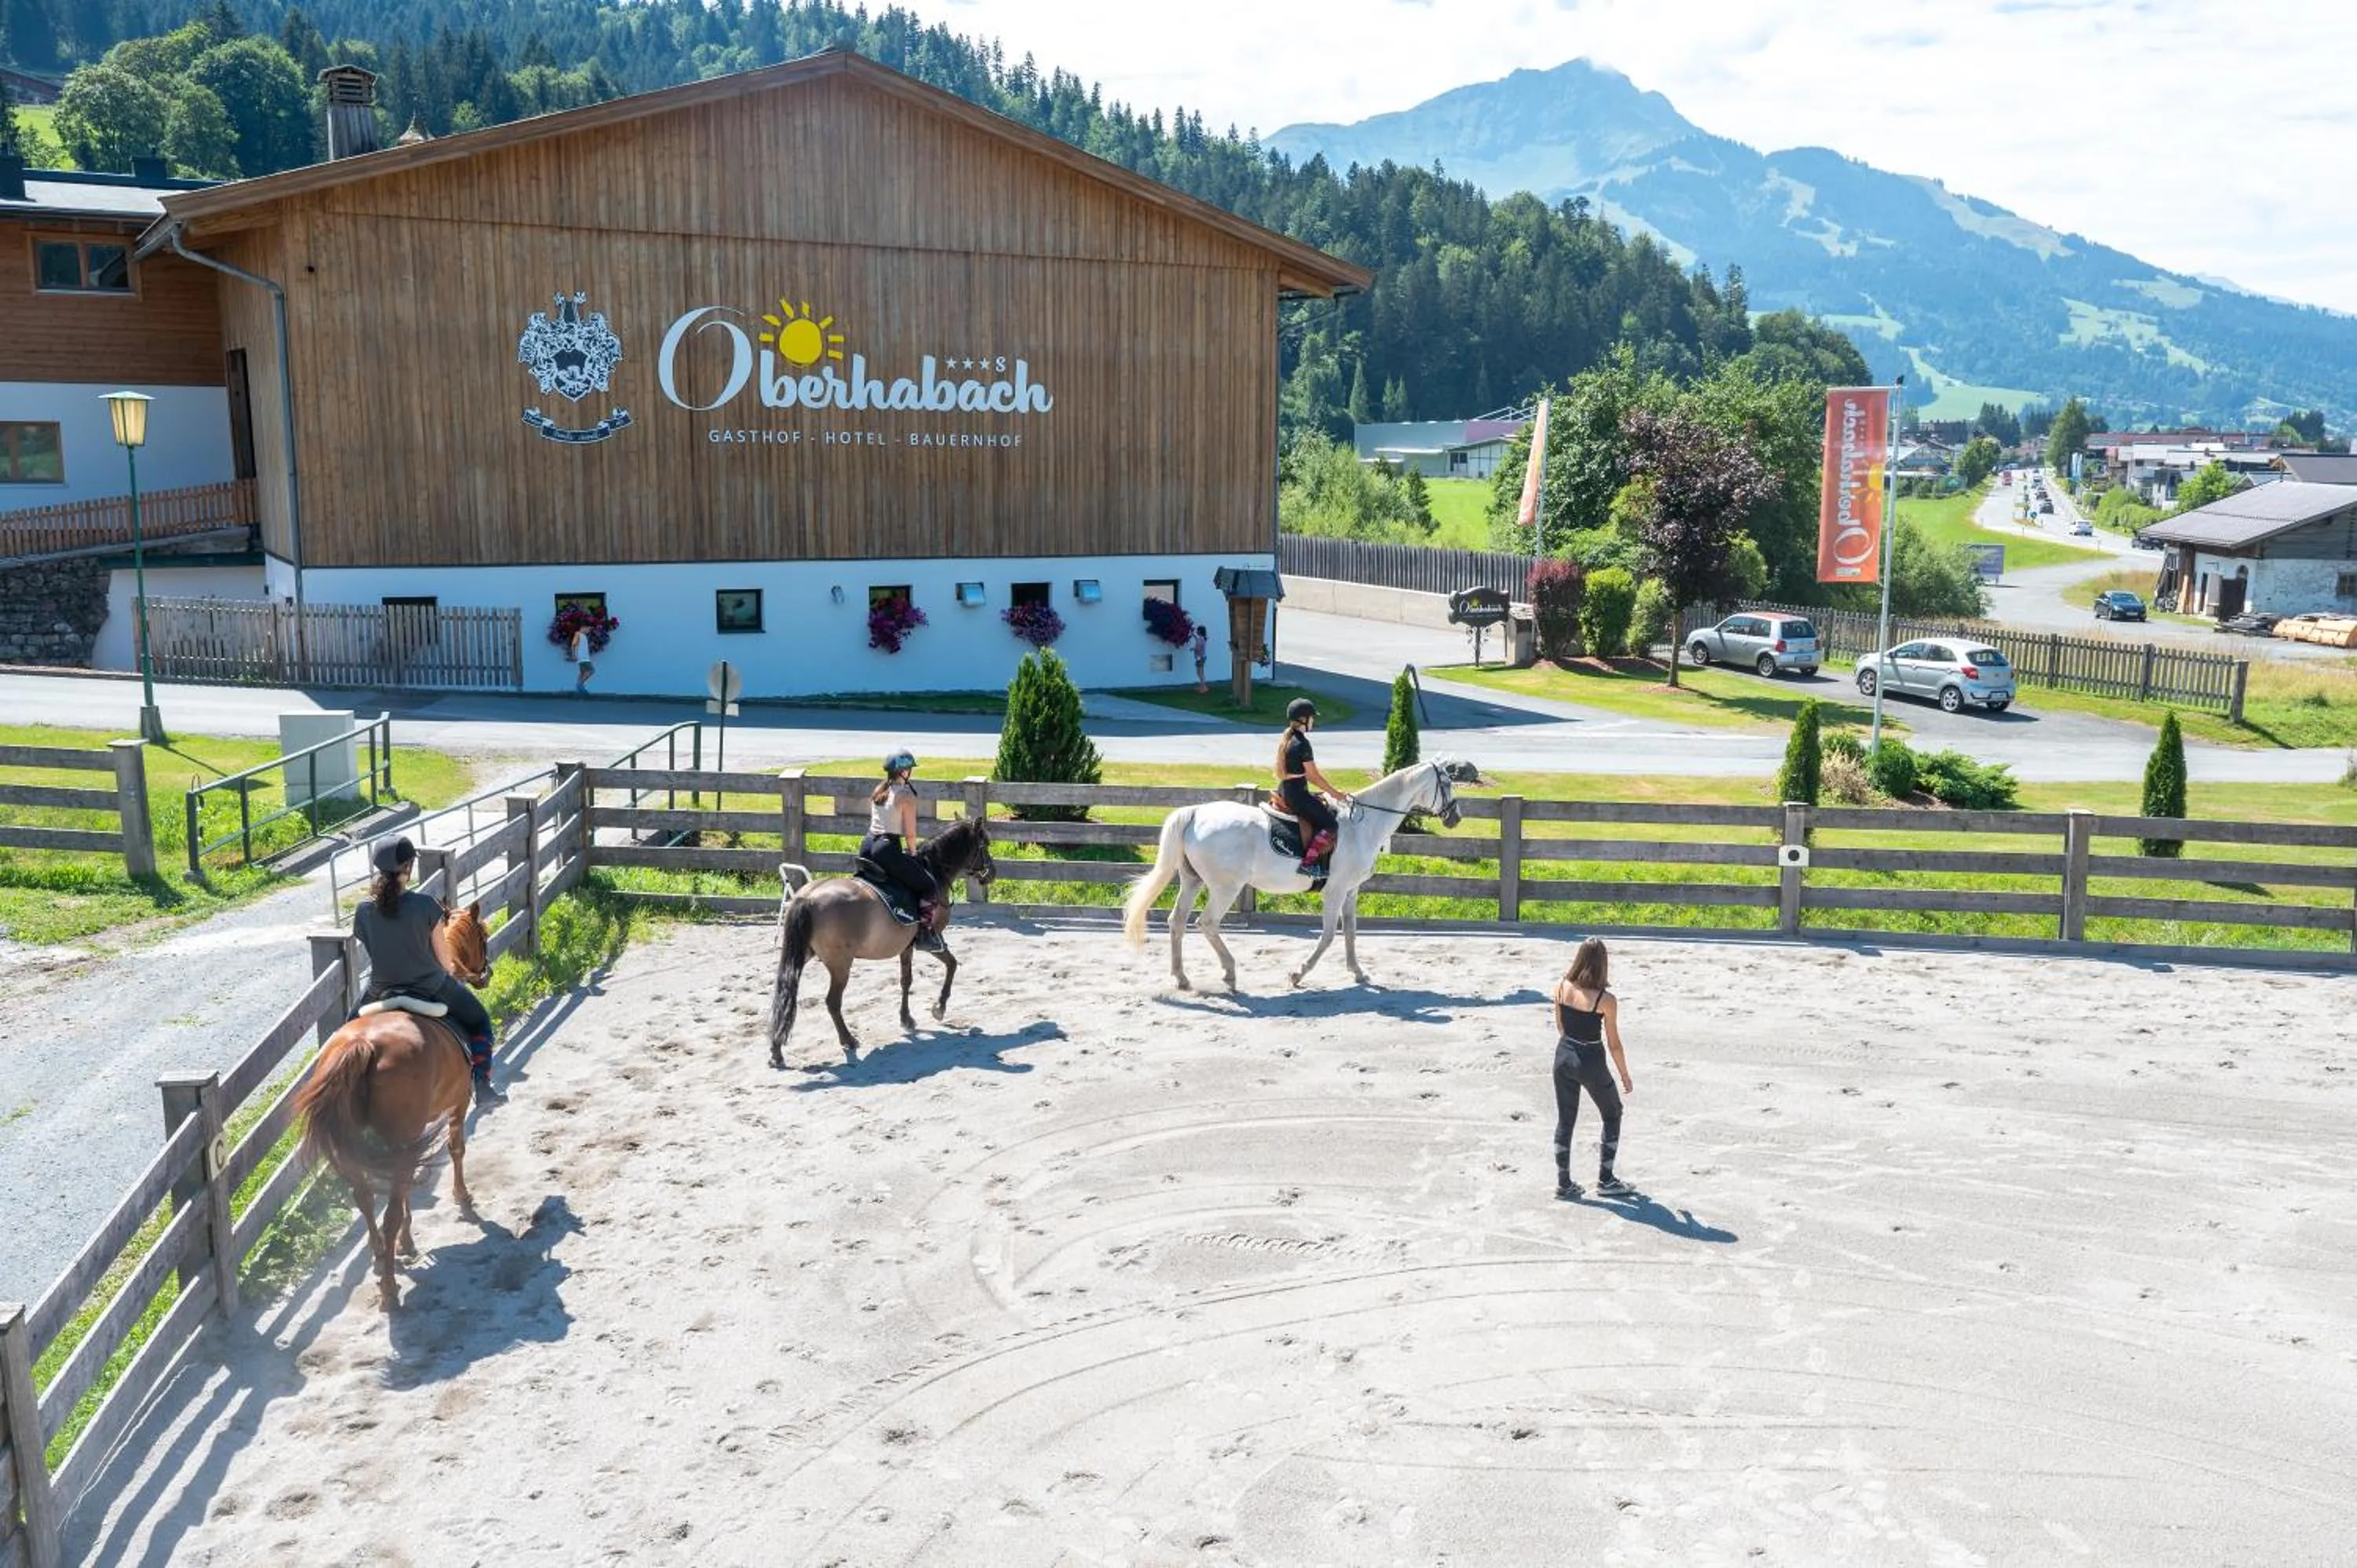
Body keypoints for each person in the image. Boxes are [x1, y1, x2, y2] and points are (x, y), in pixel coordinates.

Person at [354, 836, 502, 1101]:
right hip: (430, 987)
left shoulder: (363, 910)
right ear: (408, 867)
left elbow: (374, 947)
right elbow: (445, 962)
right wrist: (451, 968)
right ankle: (483, 1087)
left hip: (380, 990)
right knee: (480, 1022)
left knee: (345, 1034)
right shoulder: (426, 906)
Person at [1549, 937, 1633, 1200]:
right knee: (1612, 1112)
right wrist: (1624, 1075)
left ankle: (1564, 1184)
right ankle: (1606, 1181)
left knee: (1566, 1120)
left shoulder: (1560, 986)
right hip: (1591, 1060)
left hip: (1564, 1056)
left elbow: (1560, 1026)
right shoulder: (1606, 1000)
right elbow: (1614, 1044)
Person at [862, 750, 948, 954]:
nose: (910, 772)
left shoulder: (880, 789)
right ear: (903, 772)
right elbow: (910, 833)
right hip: (886, 848)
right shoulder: (906, 796)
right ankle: (925, 934)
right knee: (929, 886)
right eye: (909, 769)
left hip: (867, 845)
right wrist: (913, 853)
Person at [1274, 697, 1347, 873]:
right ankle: (1308, 864)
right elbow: (1313, 776)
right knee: (1331, 825)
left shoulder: (1288, 739)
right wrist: (1335, 793)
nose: (1313, 721)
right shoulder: (1302, 743)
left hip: (1286, 790)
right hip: (1298, 795)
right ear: (1303, 720)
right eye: (1312, 718)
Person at [1191, 623, 1210, 693]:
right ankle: (1202, 686)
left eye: (1198, 630)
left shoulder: (1201, 640)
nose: (1197, 631)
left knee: (1200, 673)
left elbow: (1198, 649)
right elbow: (1197, 640)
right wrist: (1194, 635)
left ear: (1200, 631)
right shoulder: (1202, 638)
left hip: (1200, 658)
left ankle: (1204, 688)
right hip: (1202, 657)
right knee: (1200, 672)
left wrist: (1193, 649)